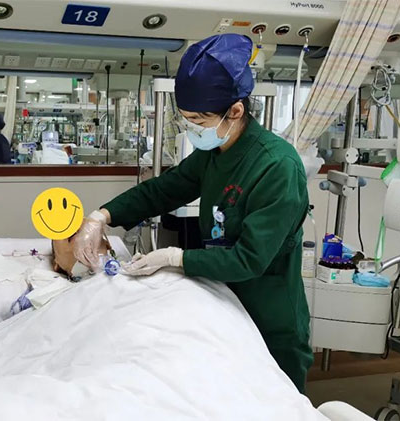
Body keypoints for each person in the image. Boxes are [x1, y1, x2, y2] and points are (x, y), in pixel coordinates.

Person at [71, 34, 313, 393]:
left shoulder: (277, 167)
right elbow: (164, 189)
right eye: (186, 119)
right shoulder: (214, 153)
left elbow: (249, 259)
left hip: (267, 314)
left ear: (235, 111)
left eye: (199, 120)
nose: (193, 129)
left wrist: (175, 258)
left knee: (272, 402)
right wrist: (100, 216)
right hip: (219, 305)